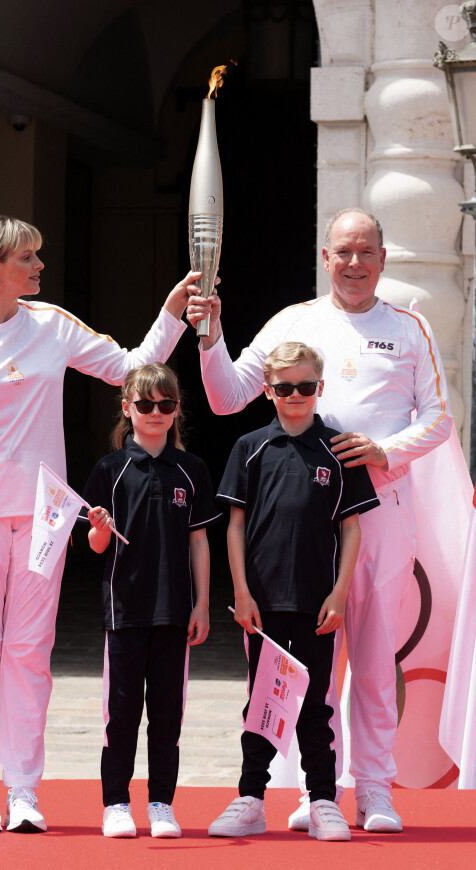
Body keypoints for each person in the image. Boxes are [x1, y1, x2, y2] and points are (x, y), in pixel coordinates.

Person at [0, 215, 200, 834]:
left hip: (46, 515)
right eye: (28, 258)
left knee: (29, 651)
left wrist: (172, 314)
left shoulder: (53, 326)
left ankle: (22, 788)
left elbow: (129, 365)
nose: (40, 267)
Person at [187, 208, 452, 833]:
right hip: (303, 526)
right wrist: (210, 336)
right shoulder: (294, 322)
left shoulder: (410, 328)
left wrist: (387, 451)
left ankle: (377, 791)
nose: (354, 263)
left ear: (382, 259)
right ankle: (313, 791)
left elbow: (439, 418)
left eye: (365, 252)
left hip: (378, 513)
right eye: (342, 252)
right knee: (310, 663)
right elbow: (227, 396)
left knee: (373, 655)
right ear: (325, 258)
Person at [208, 342, 379, 841]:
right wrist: (241, 590)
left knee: (315, 704)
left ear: (320, 388)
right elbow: (234, 526)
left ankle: (323, 799)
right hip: (262, 602)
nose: (296, 395)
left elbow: (351, 529)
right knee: (262, 701)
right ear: (268, 391)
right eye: (285, 388)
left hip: (316, 602)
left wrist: (340, 593)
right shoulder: (250, 447)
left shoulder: (339, 449)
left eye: (306, 387)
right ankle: (250, 798)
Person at [83, 363, 221, 838]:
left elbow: (200, 541)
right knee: (120, 713)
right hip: (123, 612)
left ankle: (161, 803)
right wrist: (99, 530)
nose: (156, 412)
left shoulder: (193, 469)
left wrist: (202, 604)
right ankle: (116, 803)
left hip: (174, 613)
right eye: (145, 405)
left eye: (166, 404)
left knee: (168, 714)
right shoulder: (110, 470)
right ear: (128, 409)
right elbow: (95, 546)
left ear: (177, 409)